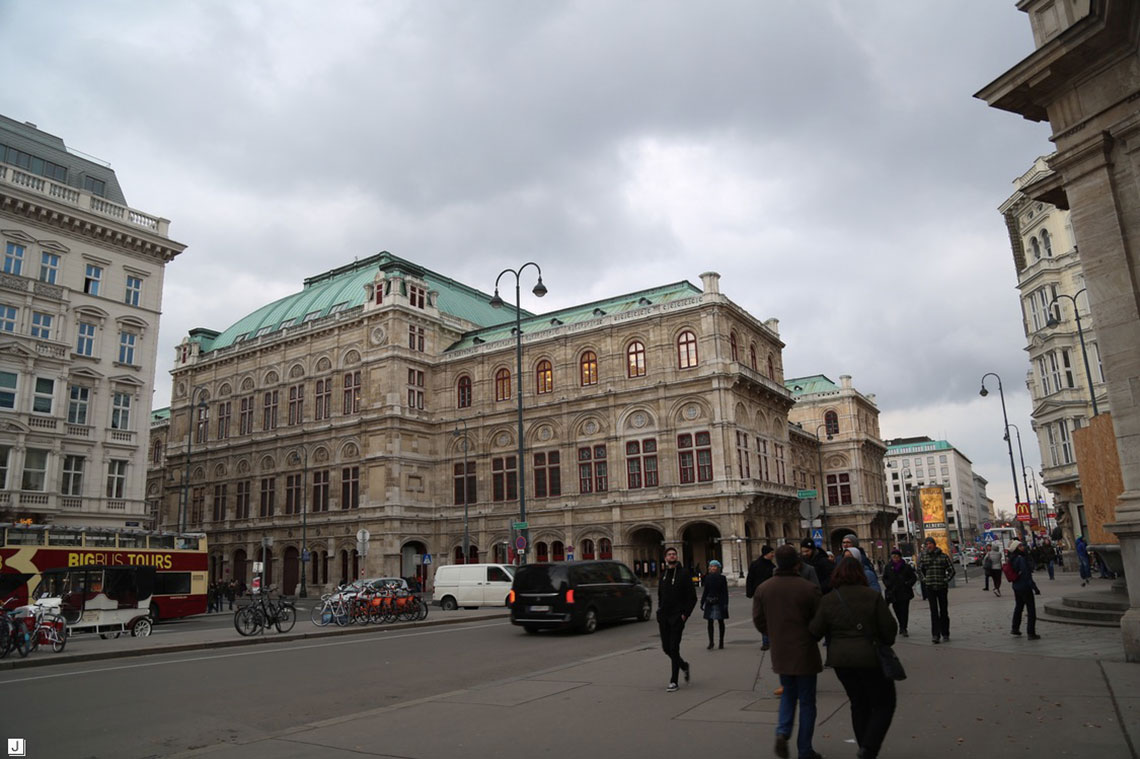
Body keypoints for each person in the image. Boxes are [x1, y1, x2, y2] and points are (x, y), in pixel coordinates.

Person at [810, 557, 899, 759]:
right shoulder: (872, 596)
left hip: (841, 661)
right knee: (884, 703)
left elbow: (815, 630)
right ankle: (868, 748)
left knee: (858, 703)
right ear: (860, 574)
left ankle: (864, 746)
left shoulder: (829, 599)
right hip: (870, 658)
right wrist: (882, 642)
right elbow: (889, 629)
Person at [754, 545, 824, 759]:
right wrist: (812, 636)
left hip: (780, 650)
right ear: (797, 564)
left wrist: (774, 635)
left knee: (788, 694)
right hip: (805, 650)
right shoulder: (808, 588)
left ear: (776, 562)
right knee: (807, 701)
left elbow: (758, 620)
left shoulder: (764, 588)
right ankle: (805, 749)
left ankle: (783, 732)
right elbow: (821, 620)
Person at [657, 546, 696, 692]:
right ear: (665, 558)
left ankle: (674, 681)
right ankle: (684, 665)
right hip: (664, 617)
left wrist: (685, 614)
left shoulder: (684, 573)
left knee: (674, 648)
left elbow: (692, 597)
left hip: (677, 617)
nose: (672, 556)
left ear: (677, 557)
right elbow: (660, 595)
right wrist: (659, 611)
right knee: (666, 648)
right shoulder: (663, 575)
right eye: (669, 554)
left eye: (674, 554)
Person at [916, 536, 954, 644]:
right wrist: (924, 580)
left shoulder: (943, 556)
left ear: (934, 544)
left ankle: (945, 633)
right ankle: (935, 635)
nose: (929, 546)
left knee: (943, 611)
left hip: (942, 587)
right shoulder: (924, 557)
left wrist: (946, 580)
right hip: (930, 587)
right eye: (927, 544)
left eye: (930, 543)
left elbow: (951, 570)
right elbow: (919, 570)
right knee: (933, 611)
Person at [1008, 540, 1042, 640]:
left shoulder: (1012, 558)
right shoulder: (1020, 559)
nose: (1023, 547)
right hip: (1025, 586)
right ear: (1017, 548)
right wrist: (1034, 587)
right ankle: (1031, 632)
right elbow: (1026, 574)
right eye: (1020, 546)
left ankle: (1015, 628)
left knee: (1018, 607)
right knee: (1031, 609)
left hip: (1016, 586)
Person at [746, 545, 776, 651]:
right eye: (771, 553)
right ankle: (766, 641)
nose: (773, 555)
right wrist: (750, 592)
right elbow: (750, 578)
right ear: (766, 553)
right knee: (764, 617)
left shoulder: (772, 566)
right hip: (760, 594)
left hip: (768, 594)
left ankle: (767, 641)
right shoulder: (757, 565)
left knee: (767, 617)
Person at [880, 548, 917, 637]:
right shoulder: (888, 567)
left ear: (900, 557)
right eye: (893, 557)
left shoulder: (906, 567)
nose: (895, 558)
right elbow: (884, 578)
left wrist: (907, 583)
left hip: (904, 592)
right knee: (897, 610)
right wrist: (888, 584)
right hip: (893, 592)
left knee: (904, 610)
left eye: (896, 556)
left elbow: (913, 578)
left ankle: (904, 627)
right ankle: (901, 624)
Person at [700, 559, 729, 649]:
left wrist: (725, 603)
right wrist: (702, 602)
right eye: (711, 566)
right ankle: (711, 642)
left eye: (714, 566)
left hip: (719, 602)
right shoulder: (707, 578)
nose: (712, 568)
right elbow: (705, 591)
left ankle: (721, 642)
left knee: (721, 621)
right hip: (710, 601)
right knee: (710, 622)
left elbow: (725, 592)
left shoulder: (722, 578)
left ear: (718, 568)